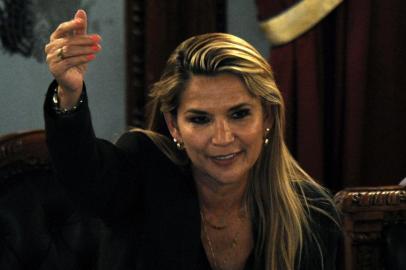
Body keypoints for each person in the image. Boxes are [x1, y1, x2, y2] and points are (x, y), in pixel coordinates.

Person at [44, 9, 340, 270]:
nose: (223, 138)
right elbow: (84, 178)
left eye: (239, 114)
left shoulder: (312, 214)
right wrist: (69, 94)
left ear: (268, 118)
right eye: (200, 119)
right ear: (174, 125)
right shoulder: (144, 172)